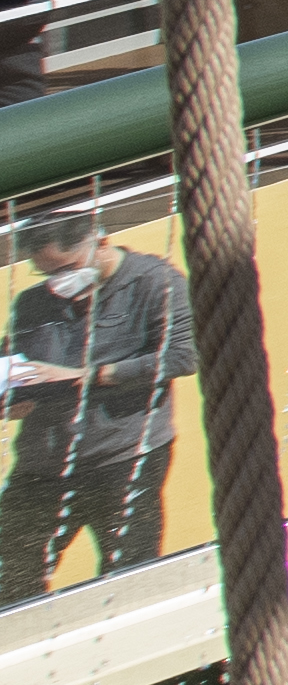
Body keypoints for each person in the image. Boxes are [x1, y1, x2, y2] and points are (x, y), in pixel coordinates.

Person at [7, 187, 187, 599]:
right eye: (45, 273)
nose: (56, 284)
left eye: (65, 269)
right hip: (42, 466)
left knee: (128, 577)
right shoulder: (32, 304)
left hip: (124, 459)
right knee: (9, 572)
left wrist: (80, 376)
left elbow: (179, 358)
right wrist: (10, 397)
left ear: (99, 242)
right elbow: (14, 364)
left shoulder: (154, 283)